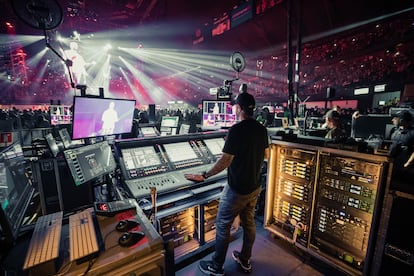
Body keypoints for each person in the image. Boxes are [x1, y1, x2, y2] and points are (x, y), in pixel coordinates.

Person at [185, 92, 269, 275]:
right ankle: (245, 260)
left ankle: (216, 266)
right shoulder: (261, 129)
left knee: (222, 224)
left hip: (237, 189)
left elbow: (225, 160)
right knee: (249, 224)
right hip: (254, 187)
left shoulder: (236, 130)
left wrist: (204, 175)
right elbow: (266, 155)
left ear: (239, 108)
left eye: (235, 106)